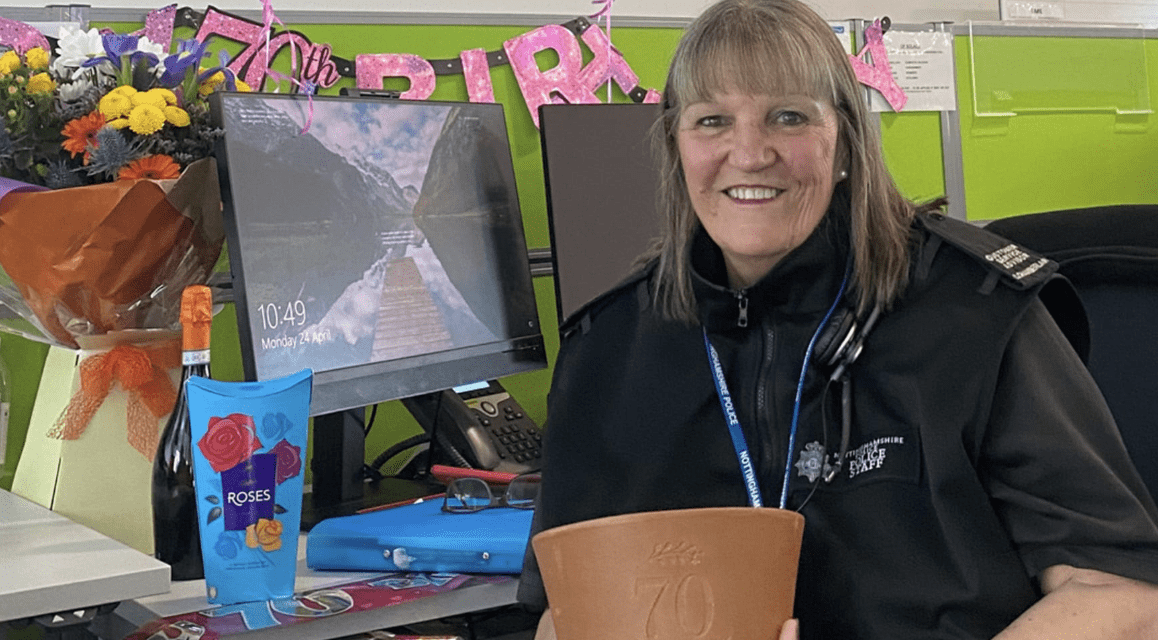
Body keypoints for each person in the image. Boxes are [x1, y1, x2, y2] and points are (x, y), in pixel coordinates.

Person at [516, 0, 1158, 638]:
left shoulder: (974, 313)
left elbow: (1121, 594)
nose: (749, 152)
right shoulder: (609, 348)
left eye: (788, 117)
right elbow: (562, 616)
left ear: (846, 142)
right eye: (712, 121)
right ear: (676, 149)